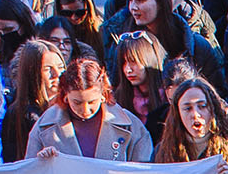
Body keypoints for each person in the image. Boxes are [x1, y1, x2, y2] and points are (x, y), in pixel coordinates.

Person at [25, 56, 154, 163]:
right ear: (65, 96)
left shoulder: (130, 125)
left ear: (103, 95)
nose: (85, 110)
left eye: (92, 102)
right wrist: (41, 161)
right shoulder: (44, 125)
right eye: (77, 102)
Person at [2, 39, 66, 163]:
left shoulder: (68, 107)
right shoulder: (19, 113)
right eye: (48, 69)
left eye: (61, 67)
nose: (57, 74)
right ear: (32, 73)